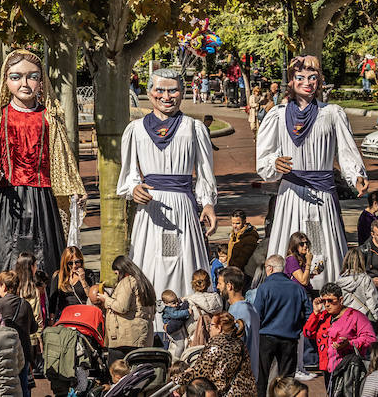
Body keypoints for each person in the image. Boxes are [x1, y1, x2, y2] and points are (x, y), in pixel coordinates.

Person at [0, 49, 87, 284]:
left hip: (42, 199)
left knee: (44, 254)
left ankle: (45, 307)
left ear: (41, 81)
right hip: (10, 200)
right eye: (16, 77)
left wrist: (73, 189)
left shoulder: (50, 118)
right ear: (6, 80)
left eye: (32, 76)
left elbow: (62, 159)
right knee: (9, 255)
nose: (24, 83)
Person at [256, 55, 368, 283]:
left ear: (319, 80)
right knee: (290, 241)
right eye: (300, 77)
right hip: (291, 194)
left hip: (322, 195)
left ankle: (322, 288)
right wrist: (274, 164)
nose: (307, 82)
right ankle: (287, 288)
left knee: (318, 245)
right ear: (291, 81)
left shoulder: (332, 113)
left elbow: (346, 151)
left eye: (312, 77)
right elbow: (264, 160)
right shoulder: (276, 115)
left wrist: (356, 175)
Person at [118, 69, 217, 297]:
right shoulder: (135, 130)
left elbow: (204, 173)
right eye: (159, 90)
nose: (166, 96)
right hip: (151, 209)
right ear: (149, 93)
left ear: (182, 93)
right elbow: (129, 174)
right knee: (151, 263)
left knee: (184, 262)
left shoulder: (194, 128)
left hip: (183, 207)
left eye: (173, 90)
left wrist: (208, 204)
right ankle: (151, 323)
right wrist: (134, 188)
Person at [254, 255, 311, 397]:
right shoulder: (297, 288)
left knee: (262, 376)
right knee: (287, 379)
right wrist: (298, 326)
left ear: (270, 268)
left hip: (266, 336)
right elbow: (309, 312)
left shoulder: (264, 288)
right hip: (290, 337)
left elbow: (257, 313)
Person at [304, 283, 375, 385]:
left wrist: (349, 343)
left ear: (341, 300)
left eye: (331, 300)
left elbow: (370, 338)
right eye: (324, 301)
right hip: (327, 368)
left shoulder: (356, 316)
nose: (327, 304)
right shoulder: (322, 316)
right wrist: (315, 312)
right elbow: (308, 333)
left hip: (348, 368)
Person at [176, 312, 256, 397]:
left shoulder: (216, 346)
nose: (209, 328)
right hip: (246, 392)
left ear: (219, 328)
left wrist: (176, 379)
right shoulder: (239, 344)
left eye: (211, 325)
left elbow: (199, 373)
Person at [92, 256, 155, 361]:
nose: (116, 277)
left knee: (117, 371)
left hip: (125, 337)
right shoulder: (144, 282)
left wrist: (106, 299)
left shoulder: (128, 281)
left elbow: (121, 307)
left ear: (121, 270)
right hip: (142, 336)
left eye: (116, 273)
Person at [220, 268, 260, 385]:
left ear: (229, 286)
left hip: (240, 378)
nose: (218, 287)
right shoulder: (250, 307)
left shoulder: (238, 311)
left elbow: (234, 348)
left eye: (220, 283)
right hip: (249, 374)